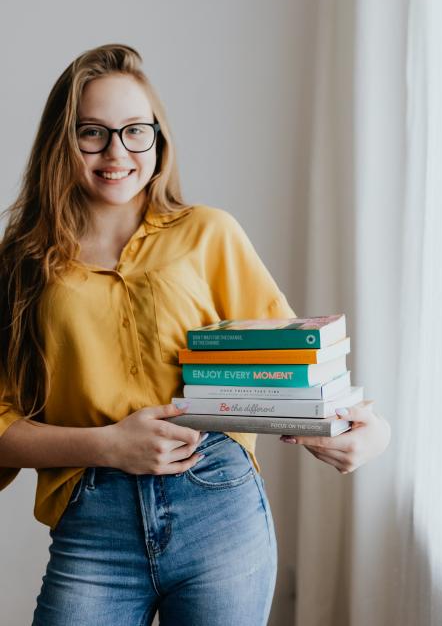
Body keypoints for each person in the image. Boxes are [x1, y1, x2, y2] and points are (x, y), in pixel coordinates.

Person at [0, 44, 390, 626]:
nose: (117, 152)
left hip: (219, 507)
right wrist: (107, 445)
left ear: (158, 139)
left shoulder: (209, 234)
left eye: (136, 131)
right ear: (63, 140)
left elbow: (298, 362)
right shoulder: (21, 265)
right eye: (93, 133)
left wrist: (370, 430)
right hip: (93, 522)